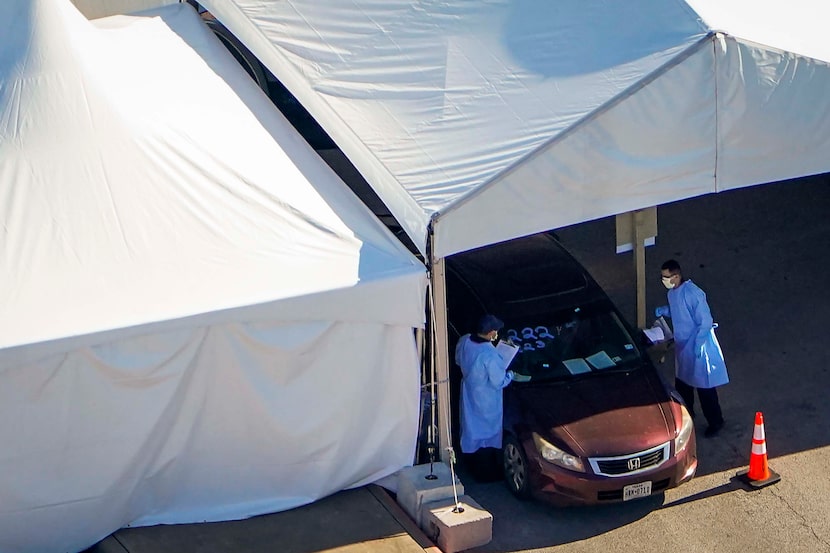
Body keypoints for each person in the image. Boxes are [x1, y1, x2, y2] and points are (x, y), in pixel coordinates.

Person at [656, 259, 729, 437]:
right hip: (684, 347)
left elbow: (705, 322)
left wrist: (698, 344)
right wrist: (666, 311)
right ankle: (687, 417)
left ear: (676, 276)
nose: (664, 280)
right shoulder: (673, 294)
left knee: (705, 389)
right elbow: (679, 312)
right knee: (683, 386)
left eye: (667, 277)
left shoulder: (694, 294)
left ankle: (716, 421)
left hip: (698, 346)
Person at [455, 313, 515, 481]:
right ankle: (486, 475)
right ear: (491, 333)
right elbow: (498, 381)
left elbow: (458, 361)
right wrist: (510, 375)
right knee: (487, 436)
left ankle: (471, 466)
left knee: (471, 430)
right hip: (487, 400)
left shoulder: (465, 341)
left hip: (469, 393)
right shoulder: (490, 354)